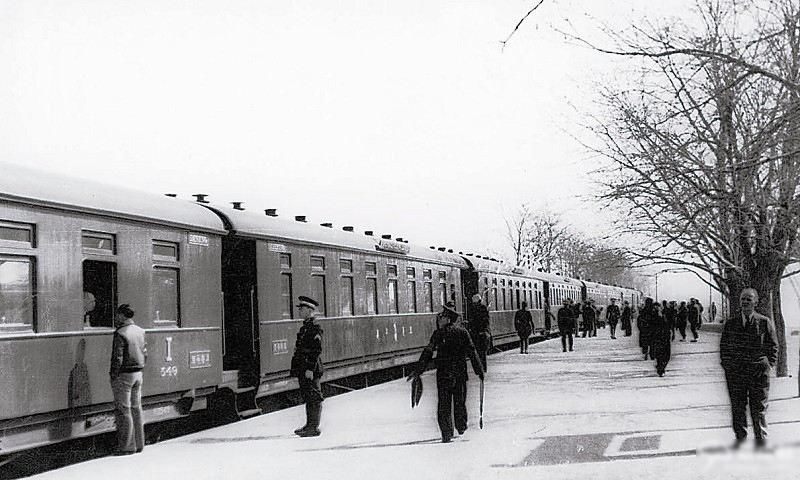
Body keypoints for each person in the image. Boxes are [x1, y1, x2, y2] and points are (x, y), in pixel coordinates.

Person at [409, 301, 484, 443]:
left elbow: (428, 352)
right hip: (460, 374)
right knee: (459, 401)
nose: (440, 318)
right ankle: (461, 426)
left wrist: (418, 370)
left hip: (443, 374)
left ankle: (446, 433)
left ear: (448, 318)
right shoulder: (463, 332)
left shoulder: (438, 334)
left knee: (444, 404)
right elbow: (472, 352)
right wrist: (479, 371)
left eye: (442, 316)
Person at [720, 288, 778, 451]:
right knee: (738, 407)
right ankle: (740, 439)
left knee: (759, 407)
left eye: (749, 299)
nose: (745, 302)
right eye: (743, 299)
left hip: (759, 373)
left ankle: (761, 441)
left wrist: (768, 365)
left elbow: (773, 346)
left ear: (755, 302)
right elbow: (724, 347)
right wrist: (728, 367)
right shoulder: (731, 323)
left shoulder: (764, 322)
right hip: (736, 374)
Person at [109, 304, 147, 455]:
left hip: (124, 375)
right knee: (136, 408)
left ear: (123, 315)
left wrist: (113, 375)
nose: (116, 317)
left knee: (124, 410)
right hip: (138, 373)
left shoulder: (120, 333)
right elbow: (145, 353)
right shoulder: (140, 331)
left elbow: (117, 358)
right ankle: (139, 444)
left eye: (118, 315)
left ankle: (126, 447)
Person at [291, 296, 325, 437]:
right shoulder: (306, 327)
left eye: (302, 309)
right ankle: (309, 425)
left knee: (314, 397)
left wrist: (310, 368)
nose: (300, 311)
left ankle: (313, 427)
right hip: (304, 367)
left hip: (310, 368)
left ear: (310, 310)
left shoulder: (314, 328)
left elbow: (316, 349)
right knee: (308, 395)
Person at [467, 294, 491, 372]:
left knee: (479, 352)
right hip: (482, 333)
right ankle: (483, 369)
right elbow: (486, 321)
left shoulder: (476, 309)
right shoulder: (483, 308)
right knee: (482, 353)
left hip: (479, 333)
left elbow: (477, 321)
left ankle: (481, 369)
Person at [651, 302, 672, 376]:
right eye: (655, 307)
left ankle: (661, 367)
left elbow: (668, 325)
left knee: (666, 355)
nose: (657, 309)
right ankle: (661, 369)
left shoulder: (664, 315)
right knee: (661, 355)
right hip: (659, 338)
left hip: (664, 337)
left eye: (658, 307)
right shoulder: (653, 317)